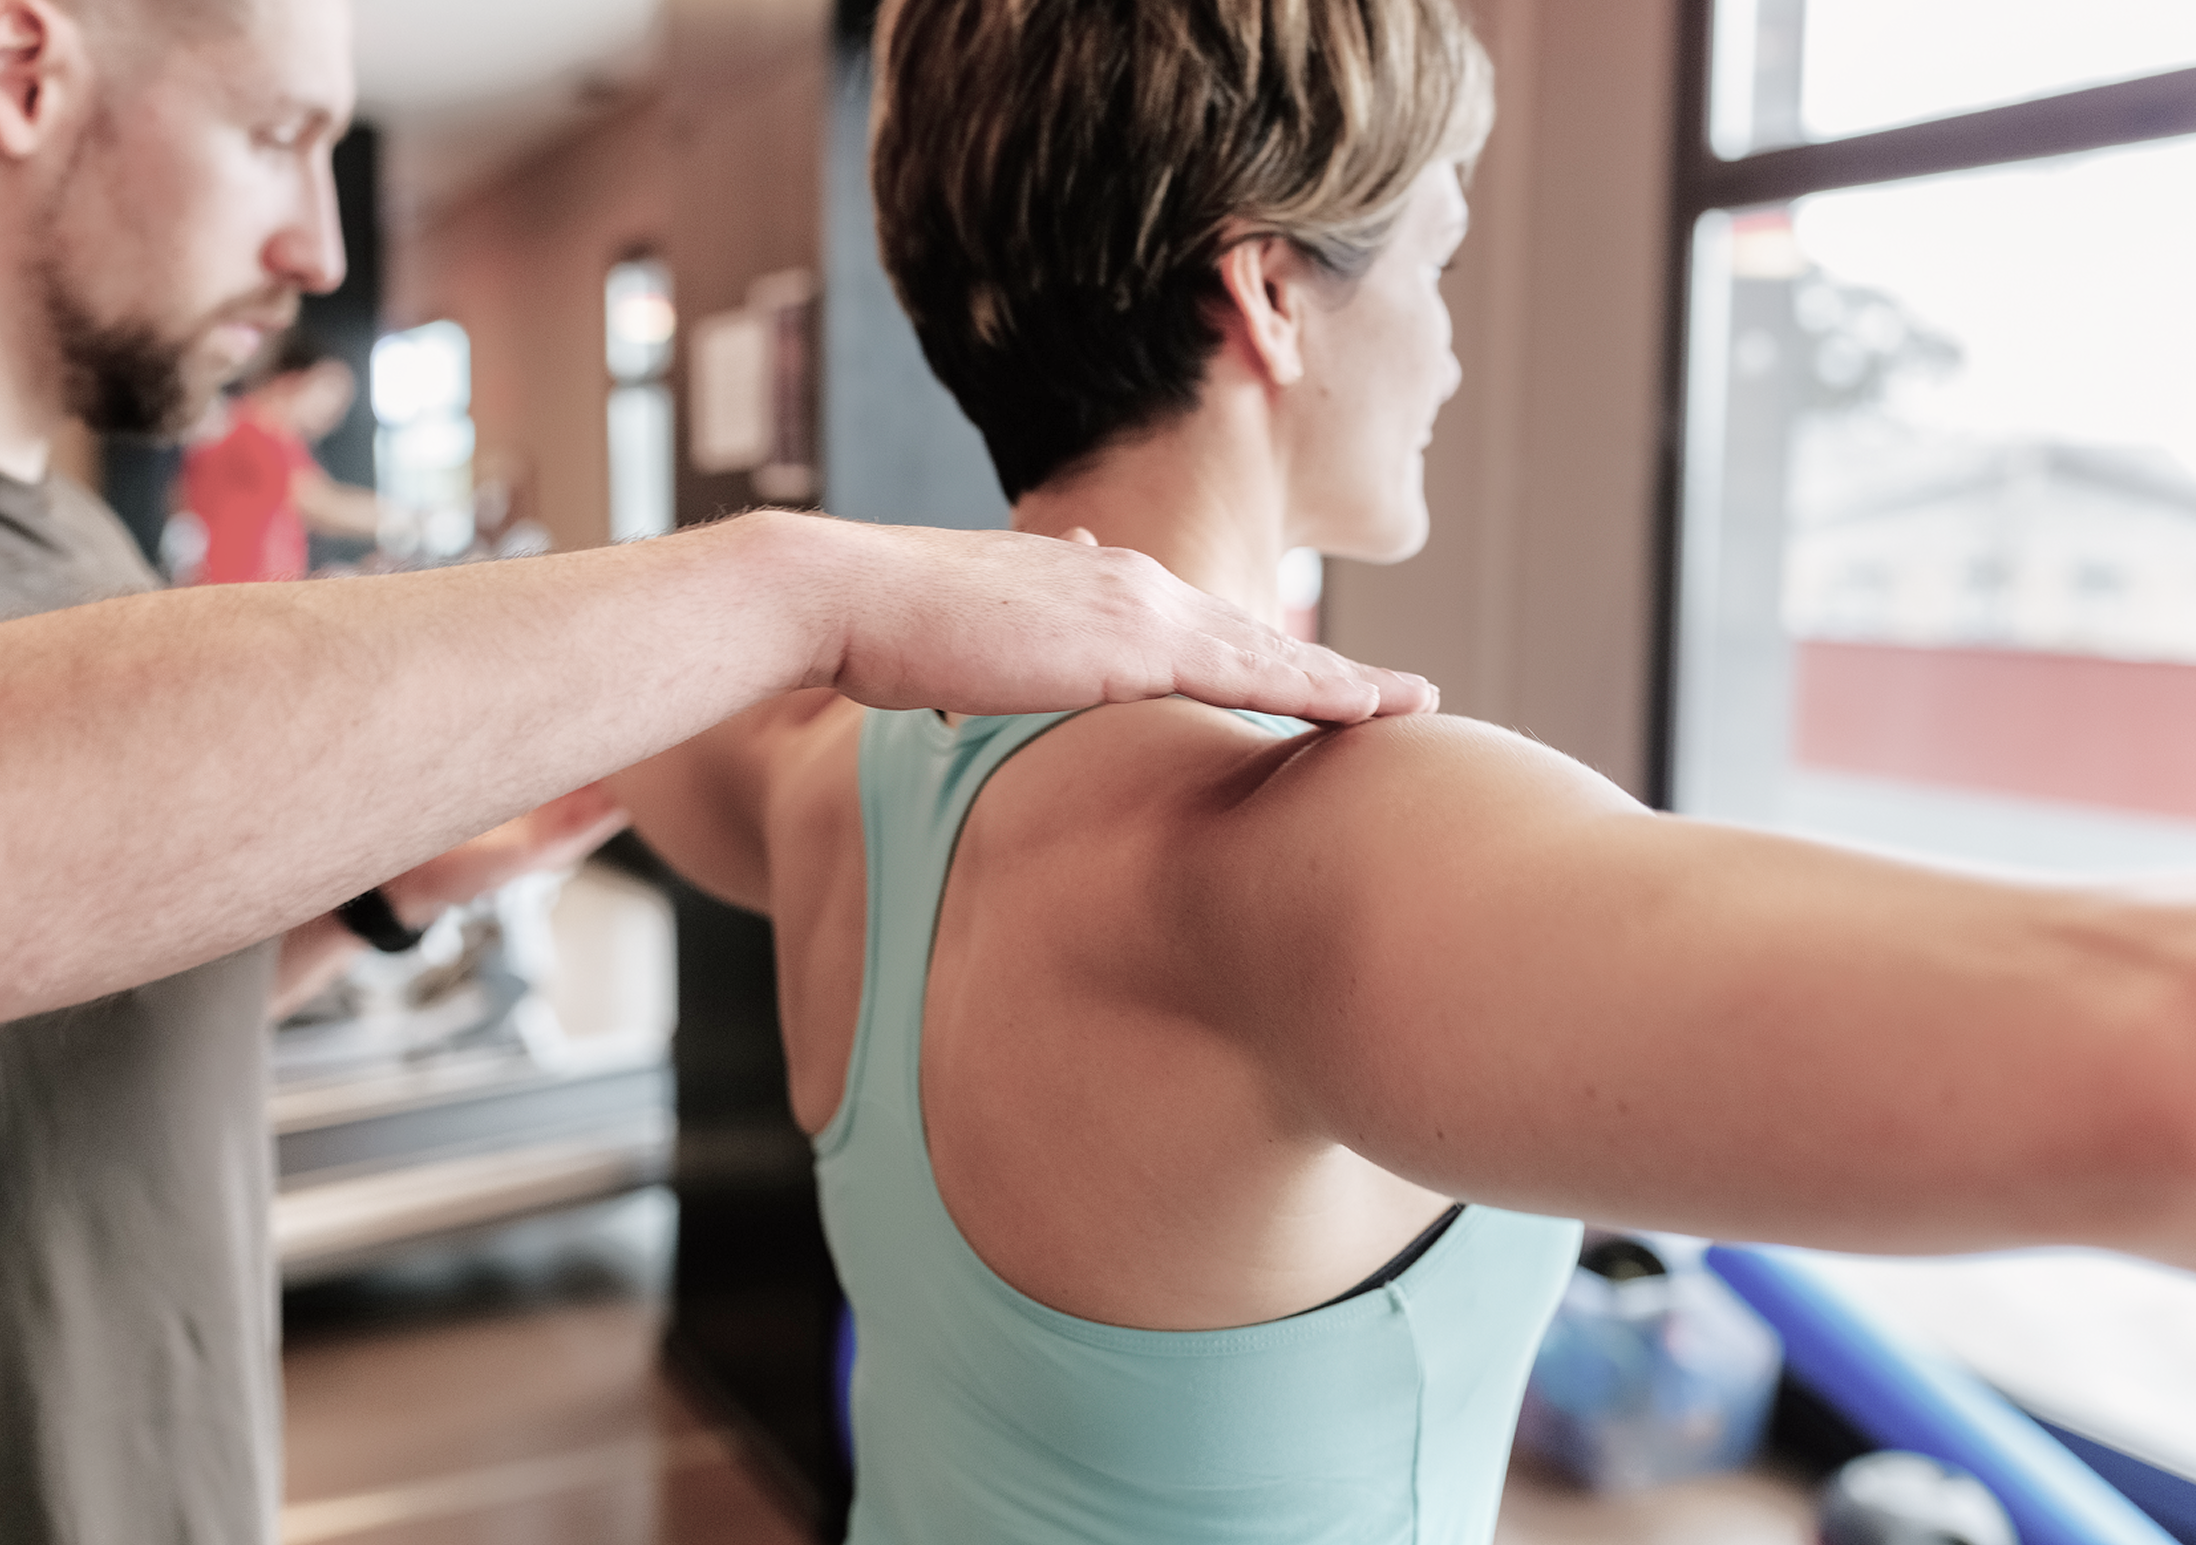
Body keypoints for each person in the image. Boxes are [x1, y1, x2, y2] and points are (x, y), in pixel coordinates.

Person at [611, 2, 2196, 1541]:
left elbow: (608, 737)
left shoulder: (827, 768)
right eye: (1436, 258)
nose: (1446, 349)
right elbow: (2139, 1028)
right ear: (1272, 294)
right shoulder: (1296, 854)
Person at [0, 0, 1432, 1540]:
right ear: (25, 71)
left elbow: (76, 1001)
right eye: (275, 135)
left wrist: (377, 903)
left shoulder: (69, 536)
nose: (318, 253)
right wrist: (801, 593)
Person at [178, 327, 390, 583]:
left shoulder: (238, 422)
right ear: (290, 379)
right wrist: (411, 519)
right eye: (330, 391)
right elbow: (319, 504)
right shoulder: (260, 430)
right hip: (245, 590)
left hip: (230, 588)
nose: (337, 411)